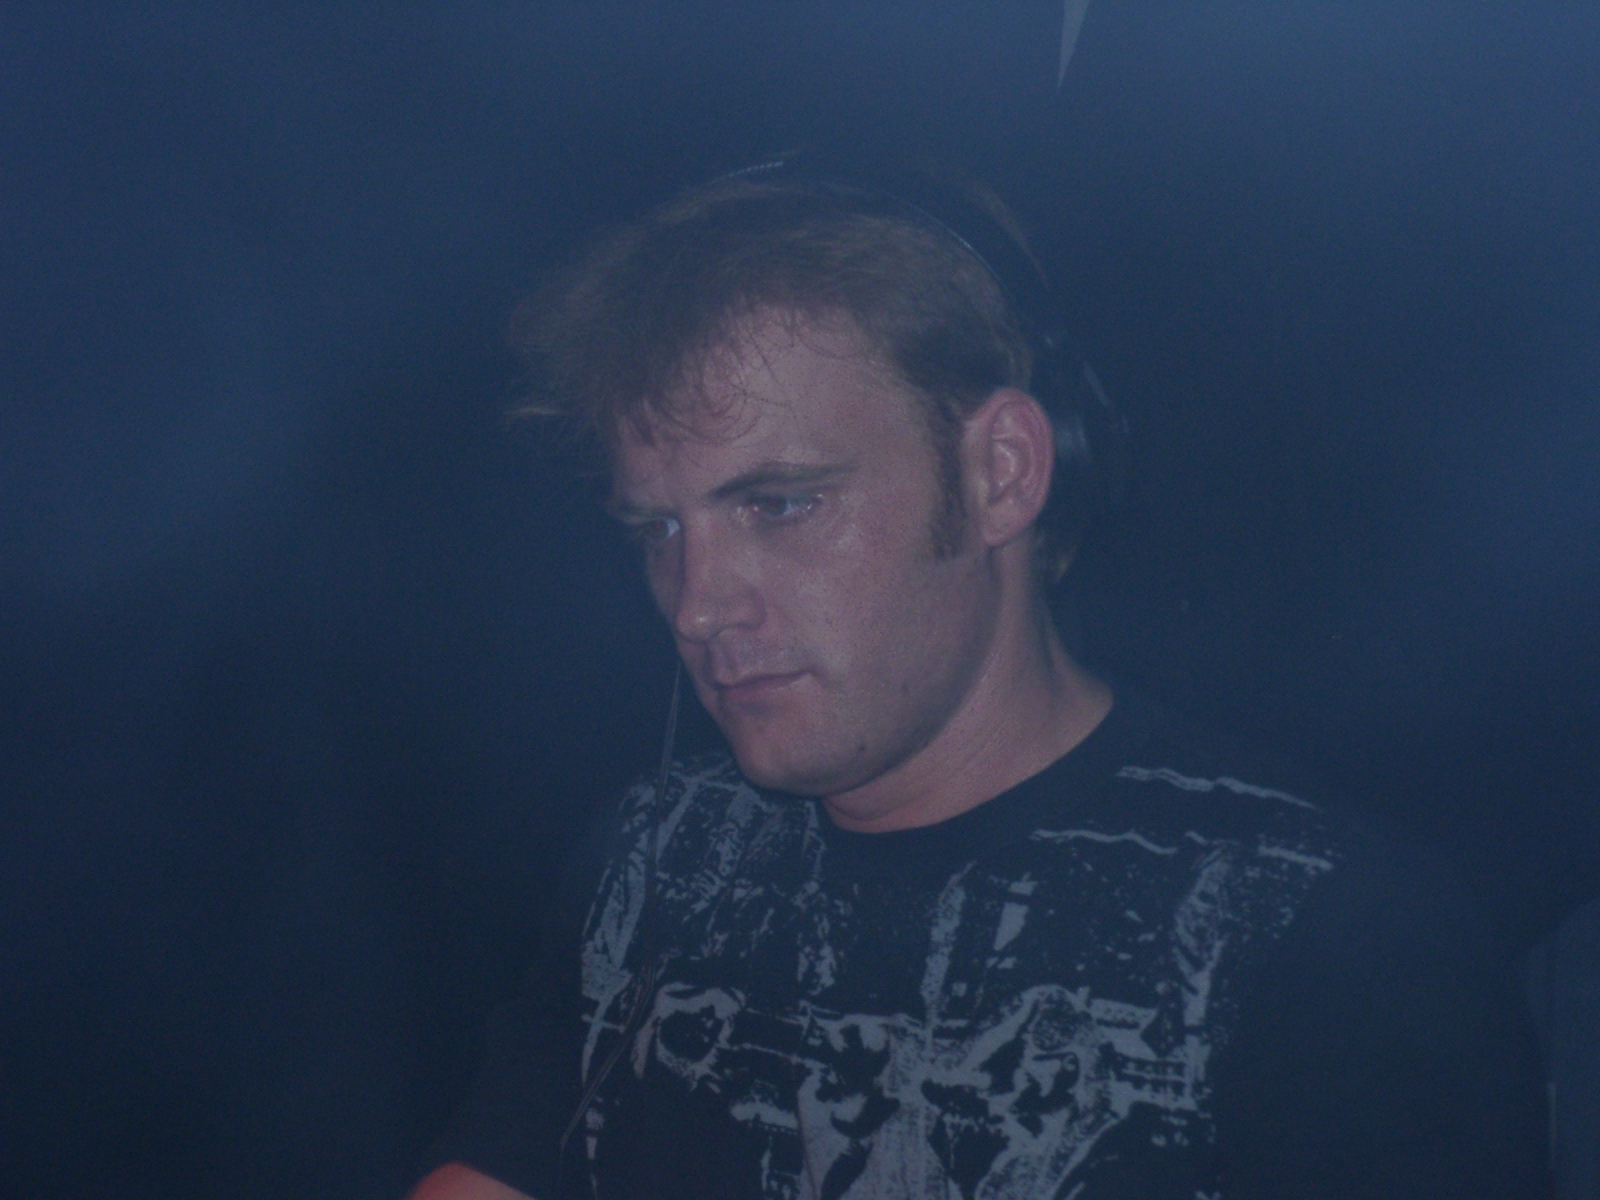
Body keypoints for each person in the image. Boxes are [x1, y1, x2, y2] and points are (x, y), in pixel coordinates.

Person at [410, 161, 1548, 1199]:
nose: (697, 604)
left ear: (1002, 472)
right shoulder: (658, 857)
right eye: (659, 529)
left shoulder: (1326, 936)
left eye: (780, 505)